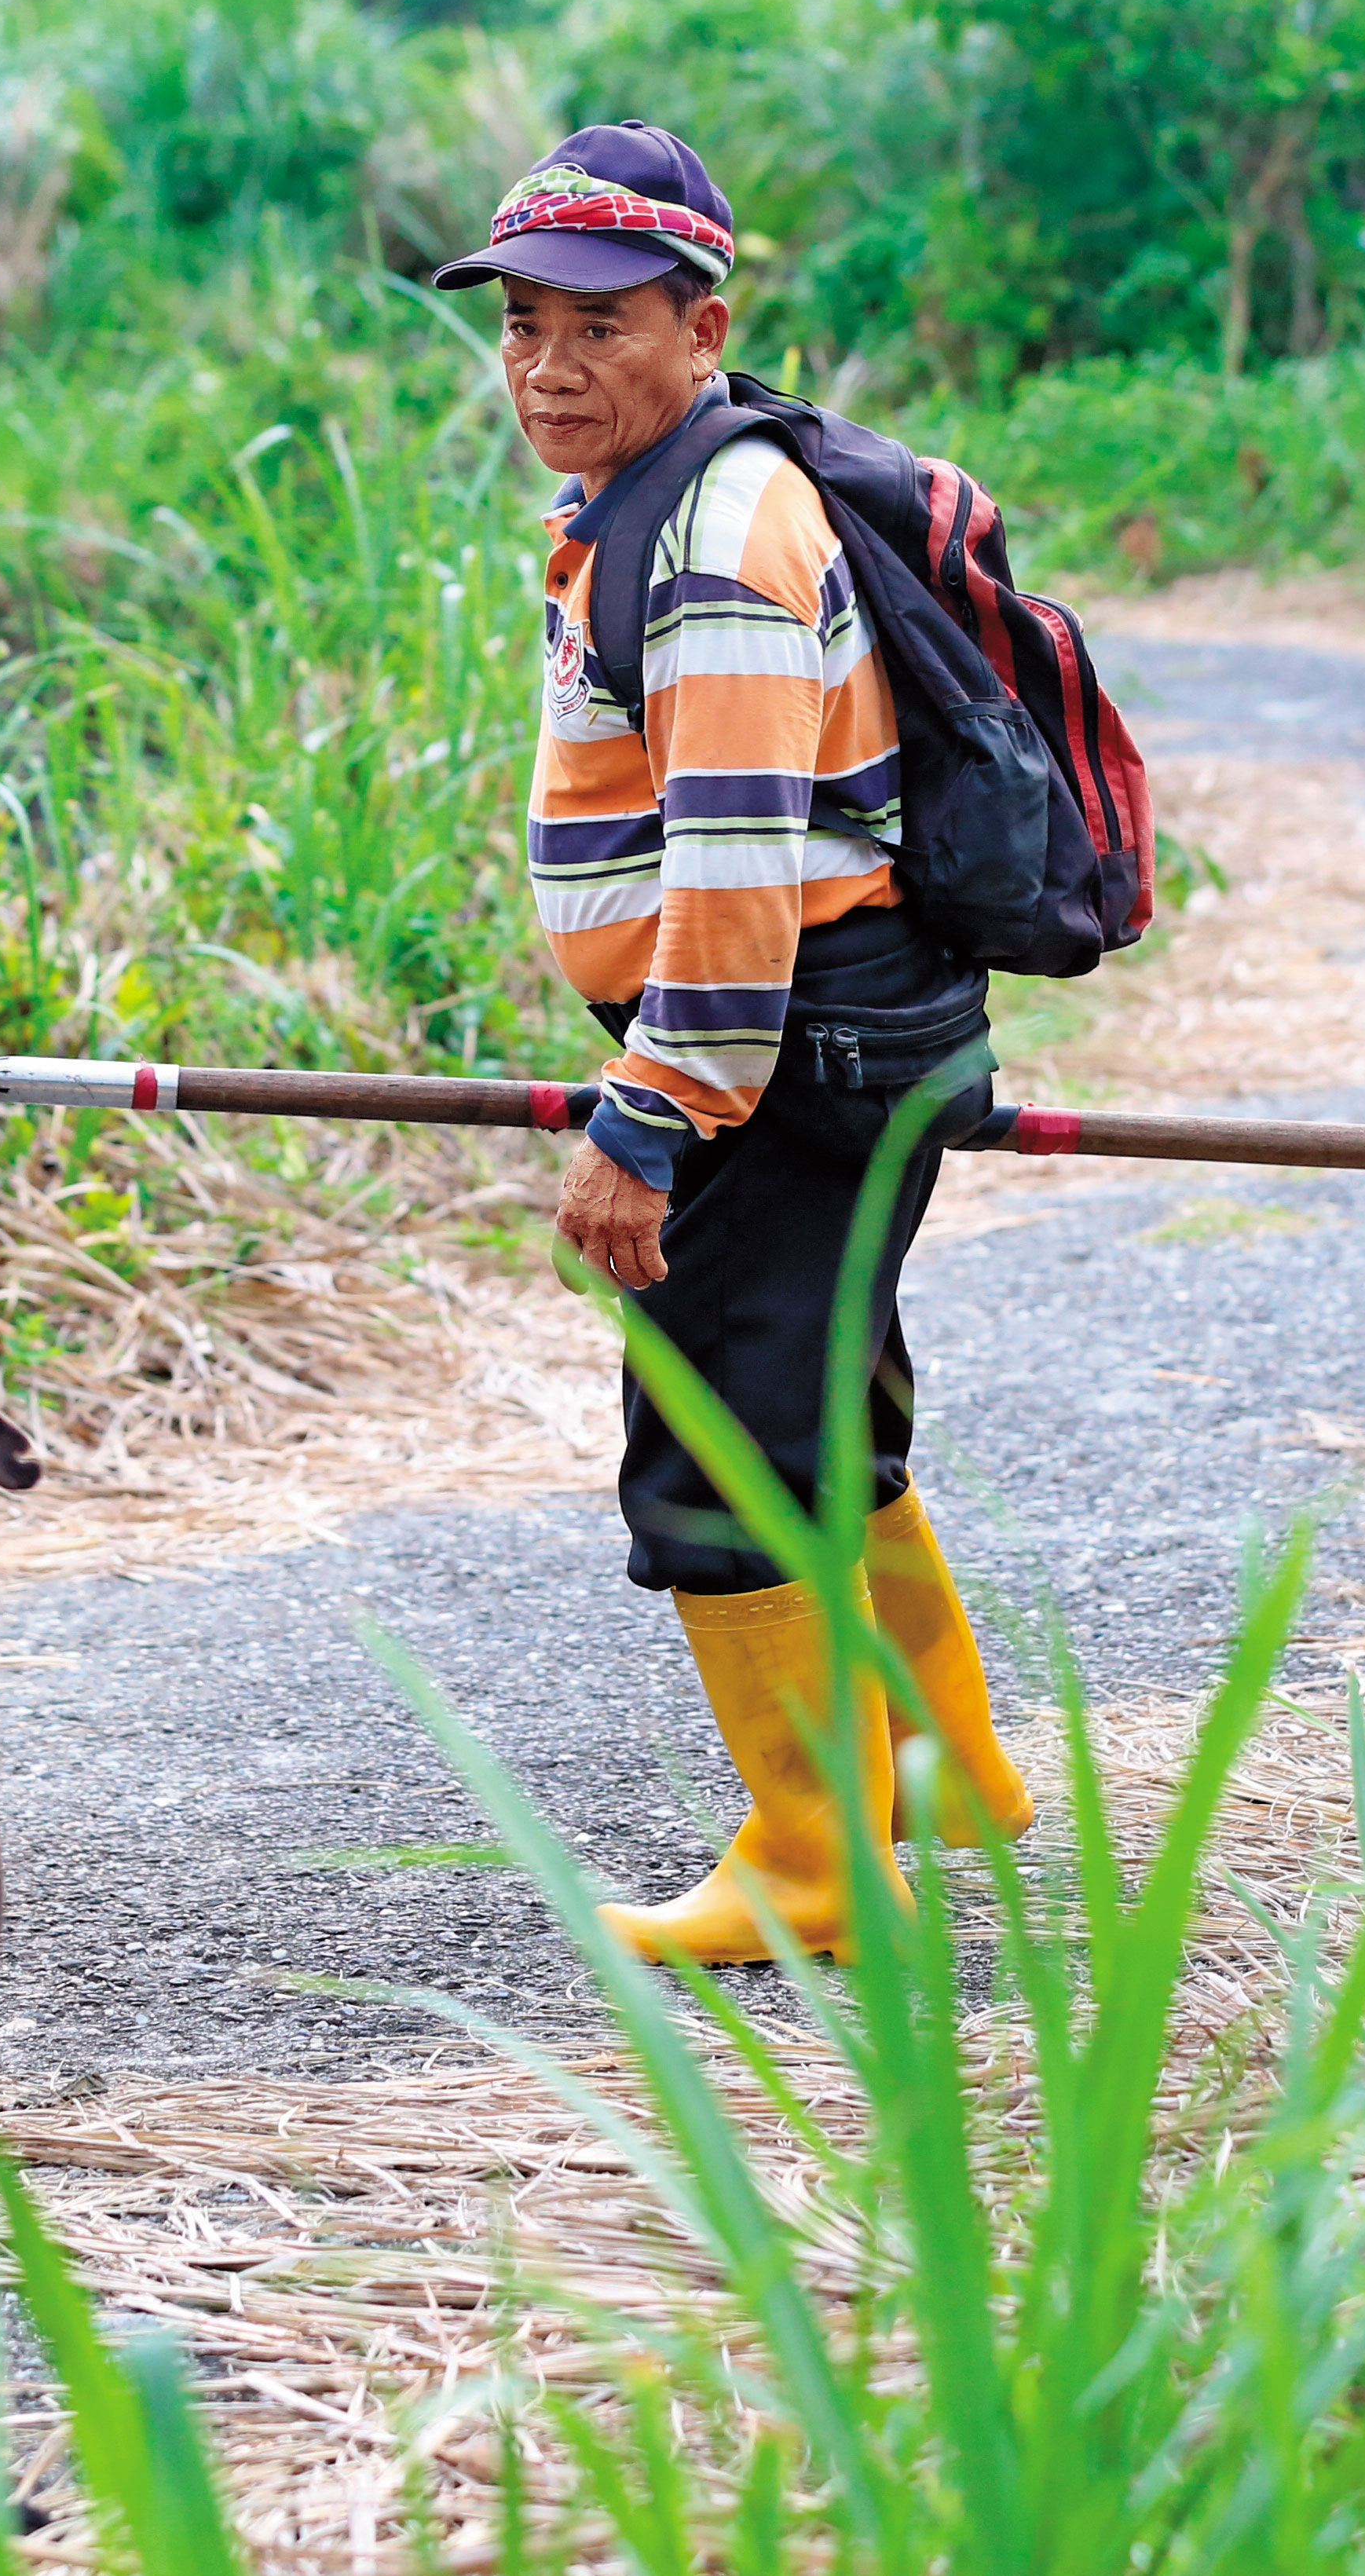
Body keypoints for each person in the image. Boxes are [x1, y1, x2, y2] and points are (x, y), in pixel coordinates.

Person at [430, 120, 1037, 1965]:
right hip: (839, 1039)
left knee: (721, 1455)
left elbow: (741, 859)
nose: (547, 363)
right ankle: (940, 1768)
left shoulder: (712, 531)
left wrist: (650, 1119)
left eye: (600, 325)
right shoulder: (684, 489)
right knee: (828, 1413)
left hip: (785, 1054)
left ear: (703, 325)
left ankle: (813, 1868)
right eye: (523, 321)